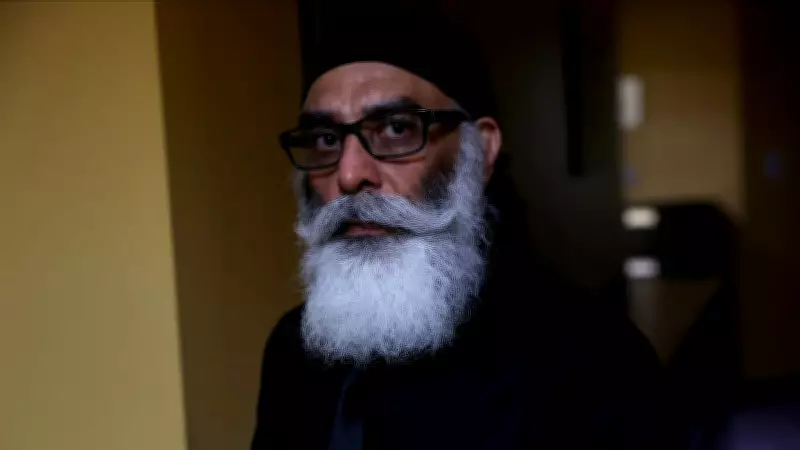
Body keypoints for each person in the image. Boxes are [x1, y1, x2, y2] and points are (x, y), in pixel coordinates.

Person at [252, 6, 665, 450]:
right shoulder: (294, 349)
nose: (349, 174)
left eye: (396, 129)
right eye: (326, 140)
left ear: (480, 151)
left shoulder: (592, 361)